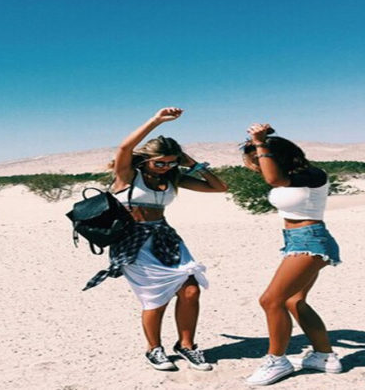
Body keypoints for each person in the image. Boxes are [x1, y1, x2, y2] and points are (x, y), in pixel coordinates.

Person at [83, 107, 228, 371]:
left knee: (191, 290)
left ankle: (186, 346)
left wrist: (192, 164)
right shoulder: (129, 175)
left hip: (166, 238)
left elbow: (219, 187)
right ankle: (154, 349)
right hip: (133, 242)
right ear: (147, 159)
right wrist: (156, 120)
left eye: (171, 163)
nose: (165, 167)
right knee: (155, 299)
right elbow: (125, 147)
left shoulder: (174, 178)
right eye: (160, 163)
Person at [241, 123, 342, 386]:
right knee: (294, 301)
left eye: (258, 159)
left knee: (270, 301)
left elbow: (273, 180)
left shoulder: (313, 175)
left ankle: (277, 360)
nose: (255, 165)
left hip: (311, 240)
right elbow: (273, 177)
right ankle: (325, 357)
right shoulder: (290, 177)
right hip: (296, 240)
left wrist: (259, 142)